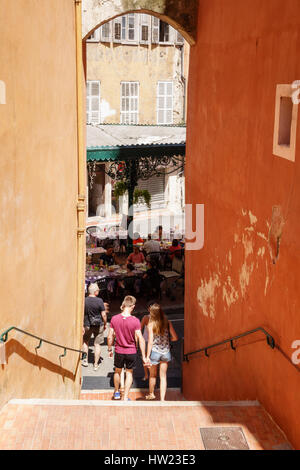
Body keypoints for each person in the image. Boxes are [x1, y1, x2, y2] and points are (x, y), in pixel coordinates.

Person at [107, 296, 148, 401]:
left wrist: (109, 349)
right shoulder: (135, 321)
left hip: (119, 351)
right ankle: (125, 397)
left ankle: (116, 392)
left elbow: (110, 336)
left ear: (124, 304)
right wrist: (144, 356)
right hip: (131, 351)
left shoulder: (114, 318)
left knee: (117, 371)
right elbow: (141, 339)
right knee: (129, 373)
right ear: (133, 306)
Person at [145, 303, 178, 401]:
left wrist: (147, 356)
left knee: (152, 375)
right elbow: (175, 337)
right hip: (166, 352)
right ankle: (162, 399)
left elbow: (150, 342)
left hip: (155, 352)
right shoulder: (167, 322)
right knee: (163, 376)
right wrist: (168, 340)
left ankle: (151, 394)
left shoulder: (150, 324)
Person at [82, 283, 108, 371]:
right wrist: (105, 324)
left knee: (85, 342)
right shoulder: (100, 301)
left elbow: (81, 314)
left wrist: (82, 325)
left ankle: (85, 360)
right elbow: (103, 315)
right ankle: (96, 364)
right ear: (96, 292)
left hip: (87, 324)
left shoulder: (84, 300)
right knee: (97, 344)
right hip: (98, 324)